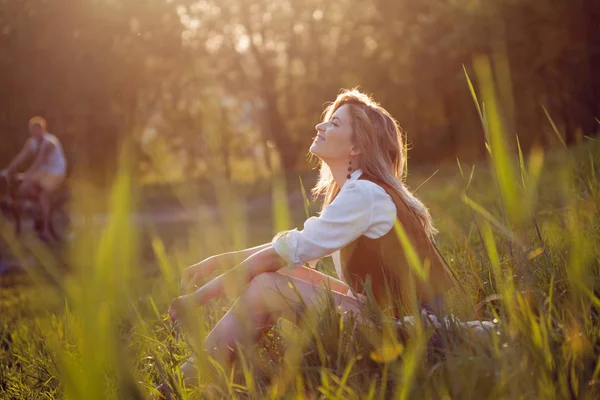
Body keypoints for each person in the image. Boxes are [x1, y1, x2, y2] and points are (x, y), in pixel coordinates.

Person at [164, 89, 457, 397]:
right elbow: (289, 249)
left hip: (415, 333)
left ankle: (181, 384)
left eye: (334, 124)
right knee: (283, 277)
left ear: (356, 146)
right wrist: (217, 261)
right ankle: (203, 376)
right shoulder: (360, 191)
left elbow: (280, 255)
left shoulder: (364, 194)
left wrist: (198, 298)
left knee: (268, 285)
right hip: (397, 321)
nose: (320, 127)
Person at [0, 116, 68, 240]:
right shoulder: (32, 142)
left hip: (56, 172)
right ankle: (40, 209)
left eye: (37, 130)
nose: (34, 132)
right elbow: (20, 157)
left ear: (43, 129)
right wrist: (7, 171)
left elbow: (39, 161)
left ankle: (46, 230)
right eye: (32, 130)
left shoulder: (49, 142)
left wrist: (27, 175)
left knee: (43, 195)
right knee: (22, 188)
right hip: (42, 172)